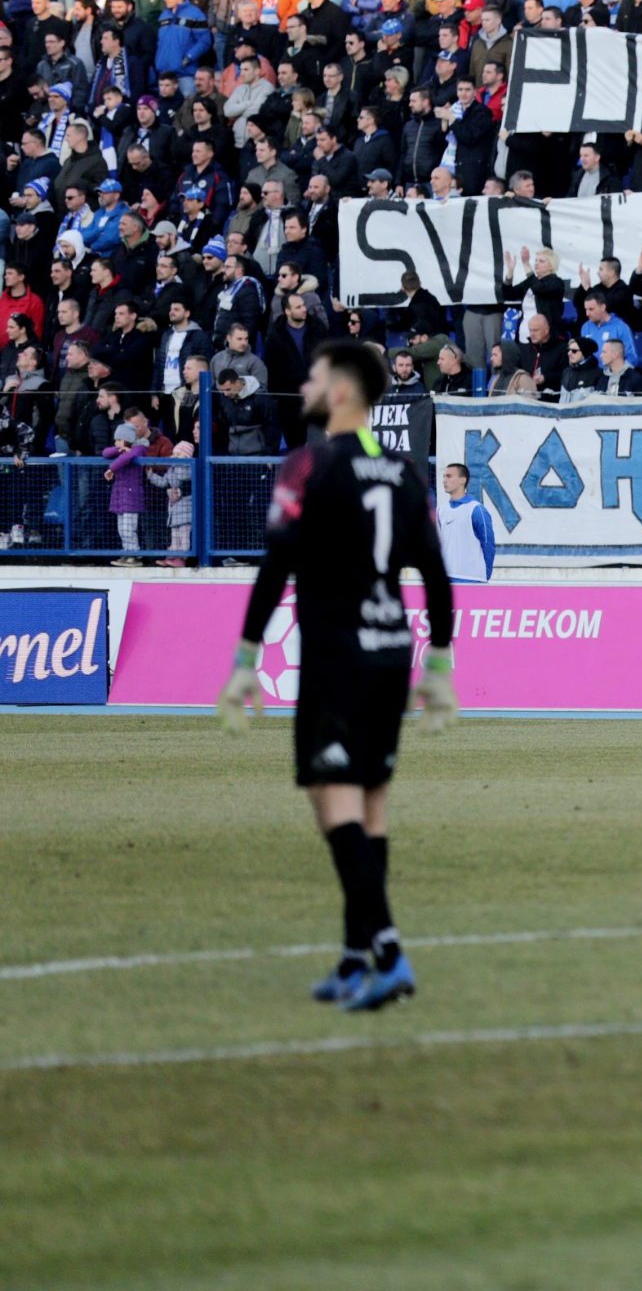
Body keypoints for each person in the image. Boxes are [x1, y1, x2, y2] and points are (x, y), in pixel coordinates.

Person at [216, 340, 458, 1013]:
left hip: (335, 656)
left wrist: (244, 659)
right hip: (390, 653)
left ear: (344, 391)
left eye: (318, 375)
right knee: (370, 808)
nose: (308, 384)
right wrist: (439, 663)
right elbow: (436, 575)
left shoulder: (307, 465)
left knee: (333, 803)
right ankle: (357, 958)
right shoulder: (405, 471)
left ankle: (386, 949)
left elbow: (276, 565)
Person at [435, 461, 497, 584]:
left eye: (449, 476)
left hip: (472, 579)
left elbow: (488, 544)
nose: (444, 480)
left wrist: (485, 574)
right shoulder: (441, 510)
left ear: (462, 480)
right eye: (444, 477)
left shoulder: (476, 510)